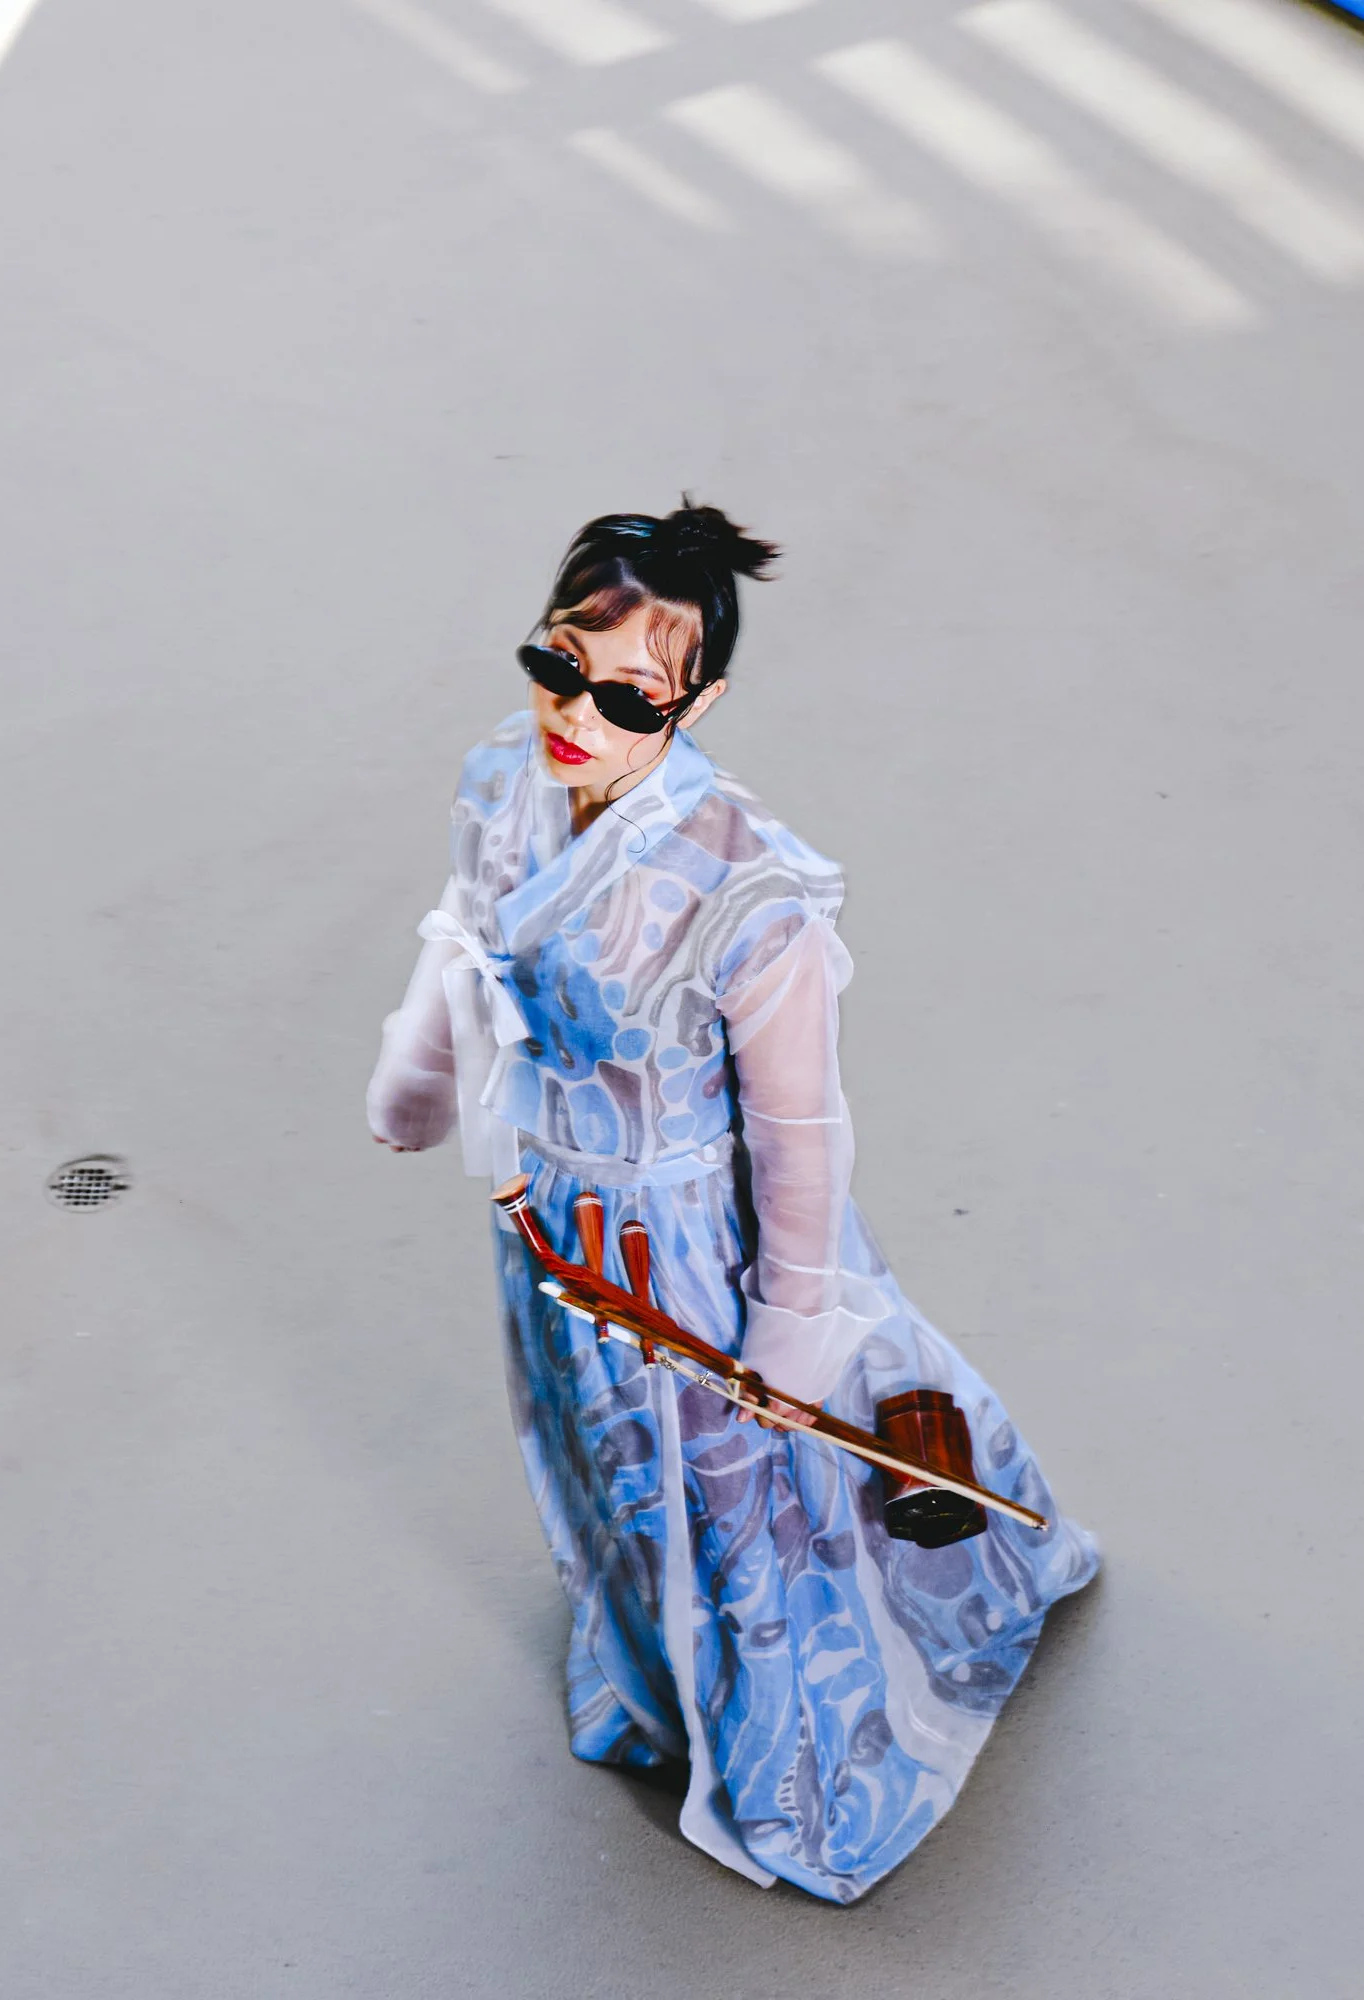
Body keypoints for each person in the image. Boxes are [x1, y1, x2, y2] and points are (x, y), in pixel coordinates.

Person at [365, 501, 1098, 1902]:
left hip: (694, 1249)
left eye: (627, 690)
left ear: (695, 696)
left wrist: (798, 1314)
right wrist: (421, 1060)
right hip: (555, 1228)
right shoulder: (500, 782)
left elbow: (801, 1129)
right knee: (599, 1467)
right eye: (557, 658)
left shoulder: (744, 894)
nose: (577, 708)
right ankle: (649, 1669)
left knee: (739, 1499)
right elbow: (468, 933)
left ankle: (789, 1748)